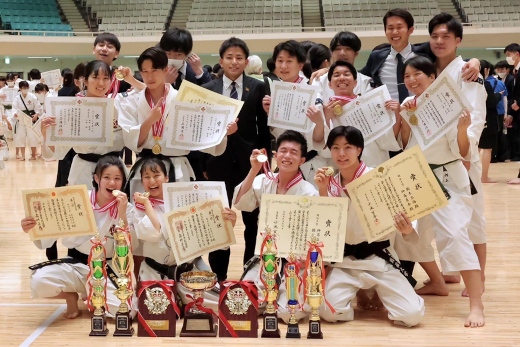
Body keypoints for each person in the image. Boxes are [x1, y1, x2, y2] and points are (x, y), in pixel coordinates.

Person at [399, 54, 484, 328]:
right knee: (409, 236)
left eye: (417, 75)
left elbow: (462, 150)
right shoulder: (407, 105)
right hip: (417, 178)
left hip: (447, 177)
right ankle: (437, 283)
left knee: (457, 236)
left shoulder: (451, 103)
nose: (411, 80)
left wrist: (461, 127)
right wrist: (402, 117)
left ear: (433, 78)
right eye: (406, 76)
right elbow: (403, 143)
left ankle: (476, 305)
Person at [313, 125, 424, 327]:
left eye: (348, 147)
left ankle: (377, 291)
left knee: (411, 315)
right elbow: (325, 227)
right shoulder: (328, 183)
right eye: (336, 148)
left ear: (359, 150)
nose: (342, 153)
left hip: (379, 257)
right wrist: (322, 191)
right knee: (328, 312)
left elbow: (407, 216)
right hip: (346, 260)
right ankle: (361, 290)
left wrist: (407, 228)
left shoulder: (379, 178)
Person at [20, 156, 137, 319]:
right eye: (107, 178)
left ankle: (91, 292)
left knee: (126, 312)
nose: (112, 183)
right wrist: (32, 226)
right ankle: (71, 296)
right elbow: (51, 229)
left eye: (117, 179)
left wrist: (122, 213)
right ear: (96, 179)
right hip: (76, 264)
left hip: (107, 267)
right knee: (39, 280)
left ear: (123, 181)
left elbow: (126, 248)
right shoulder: (77, 199)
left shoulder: (127, 207)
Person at [118, 47, 232, 199]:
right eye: (144, 71)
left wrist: (223, 132)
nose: (149, 76)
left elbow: (202, 137)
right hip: (145, 170)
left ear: (165, 69)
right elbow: (131, 141)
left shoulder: (184, 99)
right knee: (143, 219)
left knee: (176, 220)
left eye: (154, 70)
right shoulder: (130, 100)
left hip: (177, 169)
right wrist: (150, 121)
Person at [201, 37, 271, 280]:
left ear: (246, 61)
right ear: (221, 61)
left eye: (239, 57)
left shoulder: (258, 86)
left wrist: (264, 163)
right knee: (220, 221)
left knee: (252, 222)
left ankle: (249, 276)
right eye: (229, 57)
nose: (234, 61)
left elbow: (263, 128)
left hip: (249, 165)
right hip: (217, 165)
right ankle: (218, 278)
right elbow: (203, 132)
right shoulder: (208, 89)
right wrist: (203, 166)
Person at [233, 130, 318, 318]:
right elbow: (240, 202)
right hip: (266, 259)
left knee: (288, 313)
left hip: (294, 262)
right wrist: (254, 168)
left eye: (294, 152)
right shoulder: (264, 181)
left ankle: (281, 295)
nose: (287, 156)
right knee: (245, 306)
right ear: (275, 155)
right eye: (283, 151)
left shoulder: (309, 192)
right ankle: (268, 297)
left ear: (302, 160)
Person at [133, 158, 234, 312]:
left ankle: (183, 300)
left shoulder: (184, 201)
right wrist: (147, 204)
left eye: (156, 175)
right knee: (156, 313)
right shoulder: (140, 207)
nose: (151, 181)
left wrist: (228, 223)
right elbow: (153, 234)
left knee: (225, 306)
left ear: (167, 178)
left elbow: (210, 234)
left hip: (188, 271)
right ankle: (178, 302)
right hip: (155, 271)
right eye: (146, 177)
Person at [41, 60, 126, 189]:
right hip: (84, 171)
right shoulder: (71, 108)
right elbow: (58, 151)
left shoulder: (119, 105)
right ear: (85, 81)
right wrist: (46, 134)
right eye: (95, 77)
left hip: (114, 172)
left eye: (106, 78)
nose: (101, 83)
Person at [262, 40, 329, 189]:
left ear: (300, 65)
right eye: (280, 61)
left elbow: (317, 140)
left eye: (289, 61)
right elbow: (278, 134)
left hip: (310, 163)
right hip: (286, 162)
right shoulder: (276, 92)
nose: (283, 66)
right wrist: (270, 115)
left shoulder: (312, 92)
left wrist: (318, 122)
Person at [317, 61, 401, 168]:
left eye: (347, 74)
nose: (342, 78)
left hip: (374, 168)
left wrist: (397, 116)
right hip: (344, 173)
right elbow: (325, 153)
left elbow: (387, 141)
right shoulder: (324, 110)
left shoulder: (369, 105)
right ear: (329, 84)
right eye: (336, 75)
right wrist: (327, 118)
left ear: (355, 82)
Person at [311, 31, 373, 101]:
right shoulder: (320, 80)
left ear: (356, 53)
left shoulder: (366, 82)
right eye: (338, 49)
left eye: (348, 49)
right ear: (332, 53)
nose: (342, 53)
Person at [479, 60, 502, 182]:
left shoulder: (467, 83)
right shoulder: (485, 84)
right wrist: (498, 95)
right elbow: (491, 102)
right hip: (488, 118)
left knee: (475, 148)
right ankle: (484, 177)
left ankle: (473, 175)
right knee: (487, 148)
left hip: (475, 119)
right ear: (486, 70)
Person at [12, 81, 43, 161]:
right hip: (21, 119)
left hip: (31, 118)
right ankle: (23, 156)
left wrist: (36, 114)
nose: (26, 89)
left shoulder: (32, 96)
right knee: (21, 137)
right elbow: (14, 108)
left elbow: (38, 107)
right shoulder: (17, 98)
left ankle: (33, 155)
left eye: (27, 88)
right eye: (24, 88)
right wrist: (15, 114)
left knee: (32, 137)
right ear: (20, 89)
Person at [504, 44, 520, 182]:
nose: (508, 57)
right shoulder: (516, 71)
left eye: (509, 54)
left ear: (517, 54)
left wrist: (518, 104)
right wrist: (510, 114)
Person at [495, 60, 514, 162]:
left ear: (507, 70)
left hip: (509, 108)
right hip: (500, 109)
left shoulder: (511, 79)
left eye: (502, 69)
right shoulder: (497, 79)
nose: (500, 71)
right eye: (498, 69)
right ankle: (504, 154)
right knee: (503, 133)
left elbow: (509, 97)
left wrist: (508, 112)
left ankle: (512, 154)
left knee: (510, 133)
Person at [0, 73, 19, 154]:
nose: (9, 82)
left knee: (17, 131)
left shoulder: (18, 89)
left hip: (15, 111)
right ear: (6, 81)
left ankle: (17, 152)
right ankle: (5, 151)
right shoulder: (3, 89)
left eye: (11, 80)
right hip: (5, 110)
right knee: (6, 129)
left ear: (14, 80)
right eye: (8, 81)